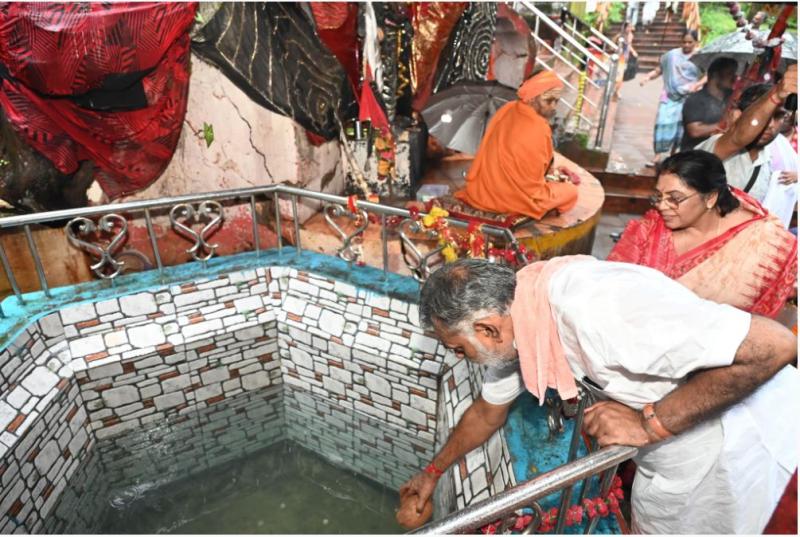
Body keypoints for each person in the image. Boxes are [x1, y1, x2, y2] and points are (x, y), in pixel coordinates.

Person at [400, 257, 798, 534]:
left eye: (458, 349)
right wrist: (432, 473)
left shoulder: (596, 308)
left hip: (745, 446)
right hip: (676, 457)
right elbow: (488, 412)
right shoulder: (522, 317)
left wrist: (650, 423)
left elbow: (774, 346)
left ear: (488, 330)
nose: (461, 358)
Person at [608, 150, 796, 318]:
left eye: (675, 198)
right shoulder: (649, 229)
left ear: (710, 198)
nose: (662, 206)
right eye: (658, 196)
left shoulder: (763, 243)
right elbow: (611, 287)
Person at [454, 70, 578, 220]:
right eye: (548, 101)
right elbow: (535, 181)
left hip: (482, 192)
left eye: (556, 101)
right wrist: (551, 178)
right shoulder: (539, 127)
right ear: (532, 99)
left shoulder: (508, 108)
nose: (553, 107)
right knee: (571, 192)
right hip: (515, 200)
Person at [697, 64, 798, 203]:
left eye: (778, 116)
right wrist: (776, 94)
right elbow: (738, 137)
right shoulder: (718, 145)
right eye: (763, 116)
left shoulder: (767, 161)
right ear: (738, 115)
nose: (770, 125)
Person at [640, 30, 703, 164]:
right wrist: (647, 77)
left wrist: (697, 85)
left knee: (680, 128)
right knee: (661, 123)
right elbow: (659, 70)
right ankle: (657, 155)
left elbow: (707, 75)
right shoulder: (671, 55)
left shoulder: (700, 57)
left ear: (696, 42)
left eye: (690, 42)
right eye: (684, 42)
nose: (686, 45)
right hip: (669, 96)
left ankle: (674, 155)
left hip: (687, 98)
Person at [679, 56, 737, 151]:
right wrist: (725, 124)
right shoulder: (696, 99)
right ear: (715, 75)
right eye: (730, 74)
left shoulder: (733, 97)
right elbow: (695, 131)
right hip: (696, 154)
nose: (734, 78)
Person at [613, 22, 638, 99]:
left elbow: (629, 45)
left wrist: (633, 51)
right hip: (620, 58)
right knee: (619, 76)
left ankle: (616, 91)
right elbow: (620, 46)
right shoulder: (621, 36)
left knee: (621, 76)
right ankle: (615, 91)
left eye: (631, 27)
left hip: (625, 58)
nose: (630, 28)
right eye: (628, 27)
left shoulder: (630, 35)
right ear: (625, 28)